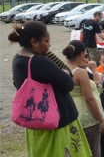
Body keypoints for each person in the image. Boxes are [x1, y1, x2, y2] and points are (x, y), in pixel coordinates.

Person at [11, 21, 92, 156]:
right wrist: (63, 71)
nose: (49, 44)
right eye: (46, 41)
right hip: (57, 124)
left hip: (36, 121)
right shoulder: (39, 61)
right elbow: (69, 84)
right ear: (34, 42)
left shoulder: (18, 59)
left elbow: (17, 84)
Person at [63, 40, 104, 157]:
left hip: (71, 114)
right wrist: (101, 120)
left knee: (76, 151)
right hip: (87, 116)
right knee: (92, 151)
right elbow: (89, 99)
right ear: (81, 53)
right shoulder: (80, 72)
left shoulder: (63, 69)